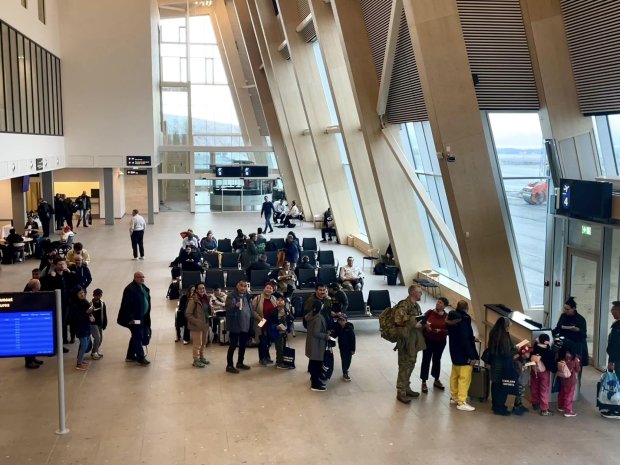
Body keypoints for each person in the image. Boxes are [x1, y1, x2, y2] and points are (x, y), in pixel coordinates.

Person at [393, 285, 426, 403]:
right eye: (419, 292)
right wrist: (413, 323)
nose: (421, 294)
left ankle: (406, 387)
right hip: (405, 340)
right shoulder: (404, 305)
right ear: (412, 293)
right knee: (404, 365)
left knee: (411, 363)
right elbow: (398, 320)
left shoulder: (416, 306)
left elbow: (418, 318)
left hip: (414, 340)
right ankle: (401, 391)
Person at [446, 300, 478, 412]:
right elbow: (465, 338)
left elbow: (457, 335)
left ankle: (454, 397)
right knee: (464, 378)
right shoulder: (464, 319)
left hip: (454, 351)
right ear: (467, 308)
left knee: (454, 376)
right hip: (464, 354)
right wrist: (473, 355)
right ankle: (461, 402)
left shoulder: (451, 318)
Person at [41, 257, 77, 350]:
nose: (62, 266)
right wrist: (52, 278)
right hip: (55, 305)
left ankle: (60, 344)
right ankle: (52, 345)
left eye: (63, 264)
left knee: (63, 325)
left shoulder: (67, 274)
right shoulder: (51, 276)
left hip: (66, 304)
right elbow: (45, 287)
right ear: (55, 265)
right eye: (60, 264)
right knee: (55, 325)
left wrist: (70, 273)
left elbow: (76, 283)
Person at [116, 271, 151, 366]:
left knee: (137, 335)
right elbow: (126, 305)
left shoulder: (143, 287)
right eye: (140, 277)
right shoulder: (130, 289)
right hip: (134, 319)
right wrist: (130, 318)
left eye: (143, 277)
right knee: (138, 335)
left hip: (142, 317)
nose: (142, 279)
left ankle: (130, 356)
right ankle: (140, 357)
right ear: (135, 278)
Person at [304, 284, 332, 391]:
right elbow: (316, 332)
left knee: (313, 361)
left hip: (313, 341)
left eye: (324, 290)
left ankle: (315, 376)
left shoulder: (313, 314)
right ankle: (315, 384)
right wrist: (326, 336)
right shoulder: (317, 317)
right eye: (320, 290)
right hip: (317, 342)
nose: (322, 292)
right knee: (316, 362)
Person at [487, 316, 516, 416]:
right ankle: (499, 407)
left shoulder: (493, 332)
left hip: (494, 362)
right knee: (502, 386)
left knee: (495, 385)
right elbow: (507, 353)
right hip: (503, 365)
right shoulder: (504, 336)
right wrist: (516, 349)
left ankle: (495, 405)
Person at [420, 297, 449, 394]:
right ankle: (424, 381)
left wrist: (441, 331)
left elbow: (450, 330)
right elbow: (421, 321)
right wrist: (426, 327)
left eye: (440, 303)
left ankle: (436, 379)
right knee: (426, 359)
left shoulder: (447, 316)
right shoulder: (429, 312)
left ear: (444, 306)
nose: (438, 304)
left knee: (437, 359)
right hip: (428, 340)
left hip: (440, 341)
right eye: (437, 302)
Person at [225, 280, 253, 373]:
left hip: (245, 325)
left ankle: (240, 363)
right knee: (232, 346)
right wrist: (235, 306)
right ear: (237, 286)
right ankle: (229, 365)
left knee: (243, 346)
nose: (243, 288)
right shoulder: (231, 296)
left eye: (245, 286)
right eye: (241, 285)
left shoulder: (247, 296)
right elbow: (228, 309)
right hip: (235, 326)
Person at [553, 297, 588, 366]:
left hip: (576, 345)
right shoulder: (563, 316)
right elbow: (558, 328)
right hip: (564, 343)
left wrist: (578, 330)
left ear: (574, 308)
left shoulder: (581, 319)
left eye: (567, 309)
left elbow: (584, 335)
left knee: (575, 366)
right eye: (564, 309)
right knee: (562, 364)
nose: (565, 311)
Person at [185, 282, 211, 368]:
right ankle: (196, 360)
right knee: (197, 344)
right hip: (196, 325)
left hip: (205, 323)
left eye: (203, 288)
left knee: (204, 342)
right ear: (196, 290)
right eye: (200, 288)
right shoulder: (193, 300)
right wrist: (196, 321)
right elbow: (188, 314)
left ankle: (201, 357)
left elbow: (206, 310)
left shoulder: (205, 298)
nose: (202, 290)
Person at [602, 301, 620, 419]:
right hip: (616, 358)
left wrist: (612, 362)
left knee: (617, 383)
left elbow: (616, 346)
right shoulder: (617, 324)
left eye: (613, 310)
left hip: (617, 360)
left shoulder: (618, 327)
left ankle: (617, 410)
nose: (612, 312)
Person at [252, 283, 277, 366]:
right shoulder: (258, 298)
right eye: (267, 288)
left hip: (270, 323)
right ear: (264, 289)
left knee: (268, 341)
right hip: (261, 321)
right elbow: (252, 310)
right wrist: (260, 318)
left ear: (273, 291)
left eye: (271, 288)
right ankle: (262, 358)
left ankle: (267, 356)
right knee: (262, 341)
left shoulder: (273, 298)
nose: (269, 290)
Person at [530, 334, 555, 416]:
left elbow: (534, 349)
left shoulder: (535, 348)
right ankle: (544, 409)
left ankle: (535, 403)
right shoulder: (549, 352)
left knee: (534, 386)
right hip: (544, 372)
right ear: (546, 342)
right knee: (544, 389)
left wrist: (537, 342)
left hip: (534, 371)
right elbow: (551, 365)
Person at [23, 278, 45, 369]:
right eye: (39, 284)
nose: (41, 286)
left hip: (34, 321)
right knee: (29, 342)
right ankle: (29, 362)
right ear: (35, 287)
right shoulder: (28, 296)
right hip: (28, 323)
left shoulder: (34, 293)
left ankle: (33, 358)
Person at [270, 292, 293, 369]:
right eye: (278, 300)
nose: (280, 301)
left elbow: (290, 320)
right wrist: (275, 327)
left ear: (284, 302)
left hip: (284, 333)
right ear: (276, 302)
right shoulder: (273, 312)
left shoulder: (286, 311)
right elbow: (270, 322)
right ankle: (279, 362)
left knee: (283, 347)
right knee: (279, 348)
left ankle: (282, 360)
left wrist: (288, 329)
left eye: (281, 300)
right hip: (277, 333)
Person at [73, 288, 94, 371]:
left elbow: (88, 312)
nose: (82, 294)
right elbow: (77, 318)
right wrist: (87, 313)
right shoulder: (75, 305)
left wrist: (91, 314)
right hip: (80, 327)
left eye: (83, 292)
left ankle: (81, 360)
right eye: (79, 293)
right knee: (84, 345)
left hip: (86, 326)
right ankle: (79, 364)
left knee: (87, 342)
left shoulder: (85, 302)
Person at [557, 346, 581, 417]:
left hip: (563, 378)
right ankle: (568, 411)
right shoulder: (574, 359)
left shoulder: (562, 356)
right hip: (570, 380)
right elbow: (577, 369)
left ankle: (560, 406)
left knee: (562, 393)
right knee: (569, 395)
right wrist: (578, 362)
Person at [333, 314, 356, 382]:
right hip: (342, 348)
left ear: (346, 321)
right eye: (340, 320)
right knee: (344, 359)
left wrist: (353, 349)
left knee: (348, 360)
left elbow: (353, 339)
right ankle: (345, 372)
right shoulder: (339, 328)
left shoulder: (349, 328)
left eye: (343, 320)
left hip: (349, 348)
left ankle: (346, 368)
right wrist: (330, 335)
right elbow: (335, 335)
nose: (341, 322)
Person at [89, 288, 107, 360]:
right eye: (97, 295)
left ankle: (95, 351)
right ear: (93, 295)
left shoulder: (102, 303)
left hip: (100, 323)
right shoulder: (90, 303)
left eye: (100, 295)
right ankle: (94, 353)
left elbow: (104, 314)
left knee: (100, 339)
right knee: (97, 337)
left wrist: (105, 323)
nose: (98, 296)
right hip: (93, 324)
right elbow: (88, 313)